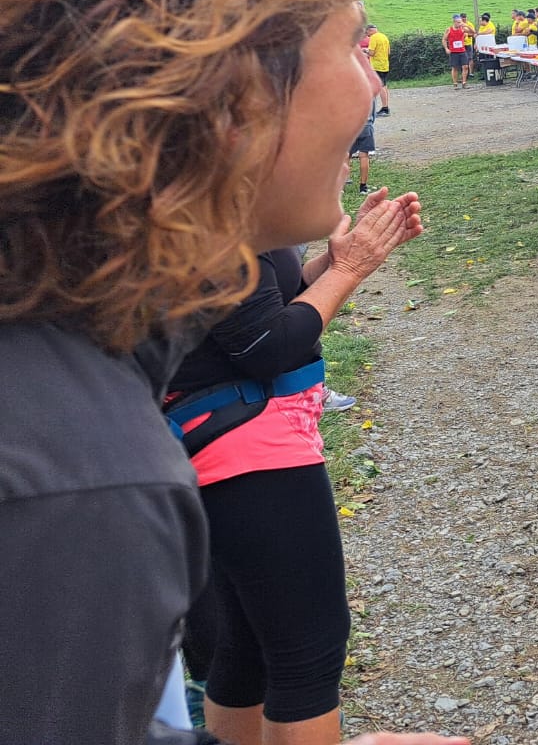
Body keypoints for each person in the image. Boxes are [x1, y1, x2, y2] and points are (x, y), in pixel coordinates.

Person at [0, 0, 465, 745]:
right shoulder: (85, 488)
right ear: (234, 94)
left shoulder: (54, 333)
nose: (373, 84)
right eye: (353, 44)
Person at [169, 188, 421, 744]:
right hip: (247, 448)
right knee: (307, 652)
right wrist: (351, 269)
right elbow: (266, 345)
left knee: (250, 642)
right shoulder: (214, 210)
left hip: (225, 437)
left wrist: (330, 264)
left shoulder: (222, 203)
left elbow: (257, 309)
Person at [349, 102, 376, 195]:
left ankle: (342, 185)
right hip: (366, 125)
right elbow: (373, 111)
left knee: (346, 155)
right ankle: (363, 187)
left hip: (350, 125)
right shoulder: (370, 90)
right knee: (364, 155)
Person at [365, 21, 391, 115]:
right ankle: (386, 106)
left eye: (367, 33)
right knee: (385, 86)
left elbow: (371, 53)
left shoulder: (374, 38)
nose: (367, 35)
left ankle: (385, 108)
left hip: (376, 65)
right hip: (385, 64)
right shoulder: (384, 36)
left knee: (381, 87)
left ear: (370, 30)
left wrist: (365, 51)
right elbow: (389, 52)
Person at [442, 14, 470, 89]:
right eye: (458, 22)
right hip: (453, 51)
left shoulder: (462, 28)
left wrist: (466, 25)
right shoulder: (449, 29)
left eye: (460, 22)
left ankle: (464, 83)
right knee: (455, 68)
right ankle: (455, 83)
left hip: (462, 50)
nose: (460, 23)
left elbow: (472, 31)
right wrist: (446, 48)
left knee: (465, 66)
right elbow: (444, 39)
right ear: (454, 22)